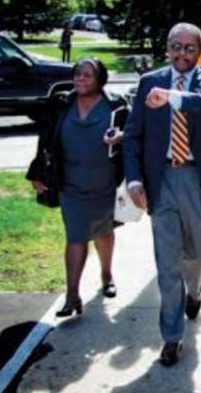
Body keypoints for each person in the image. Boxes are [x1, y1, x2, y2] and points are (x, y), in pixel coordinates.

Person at [122, 22, 201, 367]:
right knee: (167, 262)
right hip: (161, 181)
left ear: (200, 50)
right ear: (167, 47)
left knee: (196, 255)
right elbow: (132, 135)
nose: (182, 54)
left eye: (190, 48)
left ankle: (196, 289)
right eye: (176, 46)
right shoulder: (150, 81)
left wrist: (175, 98)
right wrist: (134, 181)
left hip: (200, 181)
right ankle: (171, 337)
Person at [26, 58, 127, 317]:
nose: (80, 79)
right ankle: (72, 295)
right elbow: (46, 139)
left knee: (104, 231)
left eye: (87, 75)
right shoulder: (61, 103)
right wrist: (37, 171)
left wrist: (122, 137)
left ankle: (107, 275)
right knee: (76, 235)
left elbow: (135, 134)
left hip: (105, 182)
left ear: (100, 79)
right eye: (77, 74)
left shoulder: (115, 104)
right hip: (70, 182)